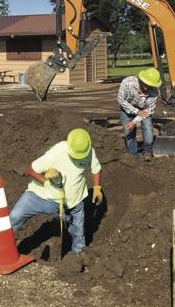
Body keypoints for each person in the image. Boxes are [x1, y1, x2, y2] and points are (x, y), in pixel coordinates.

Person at [9, 128, 103, 257]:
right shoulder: (57, 152)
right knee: (15, 216)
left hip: (73, 202)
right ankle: (3, 248)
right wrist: (46, 182)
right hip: (42, 196)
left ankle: (77, 260)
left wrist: (97, 188)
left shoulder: (88, 151)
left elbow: (96, 168)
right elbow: (31, 169)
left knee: (78, 233)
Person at [118, 66, 161, 157]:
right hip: (127, 106)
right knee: (128, 130)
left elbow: (149, 110)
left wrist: (135, 121)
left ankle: (148, 150)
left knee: (148, 126)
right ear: (141, 79)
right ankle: (133, 153)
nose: (147, 87)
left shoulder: (154, 92)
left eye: (150, 85)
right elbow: (121, 100)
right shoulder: (127, 83)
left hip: (144, 109)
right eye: (146, 83)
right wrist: (136, 111)